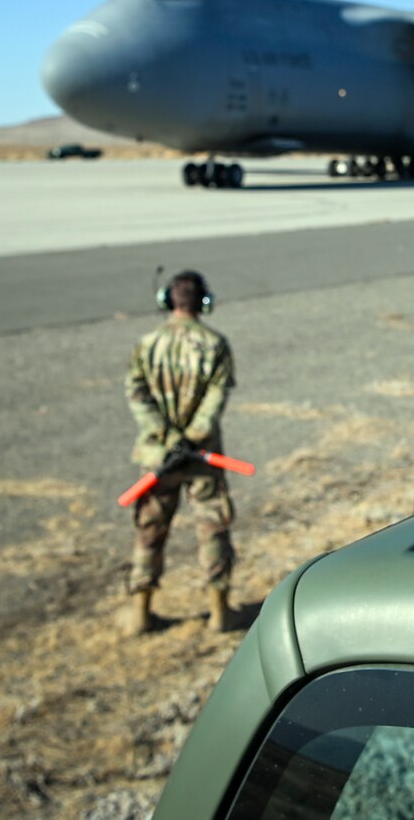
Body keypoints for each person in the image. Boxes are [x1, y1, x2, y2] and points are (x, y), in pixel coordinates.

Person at [123, 268, 237, 635]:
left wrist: (166, 437)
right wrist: (192, 436)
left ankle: (140, 611)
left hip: (159, 457)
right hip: (202, 457)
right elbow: (216, 398)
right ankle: (219, 613)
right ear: (204, 302)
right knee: (212, 527)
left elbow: (137, 394)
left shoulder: (147, 343)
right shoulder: (214, 344)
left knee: (149, 530)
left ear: (166, 301)